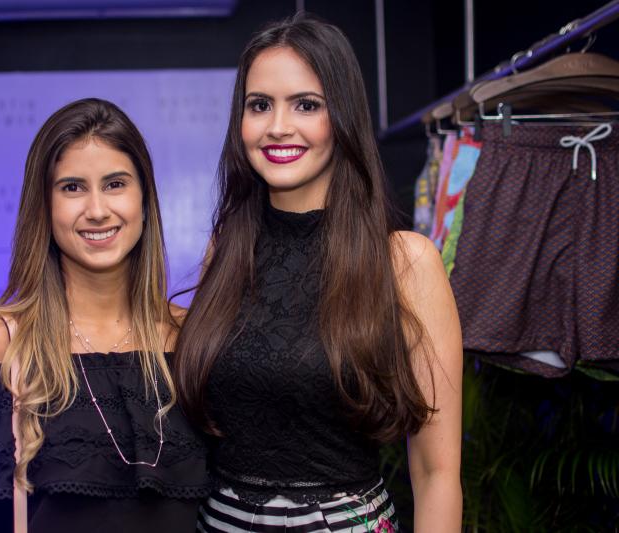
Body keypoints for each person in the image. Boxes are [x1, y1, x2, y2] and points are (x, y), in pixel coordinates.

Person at [174, 13, 462, 533]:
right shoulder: (227, 251)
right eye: (259, 105)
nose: (278, 126)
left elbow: (436, 474)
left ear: (343, 116)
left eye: (306, 104)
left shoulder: (405, 262)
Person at [0, 98, 210, 532]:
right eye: (72, 188)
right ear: (44, 206)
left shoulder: (191, 337)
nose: (97, 210)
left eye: (115, 184)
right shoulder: (1, 343)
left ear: (144, 199)